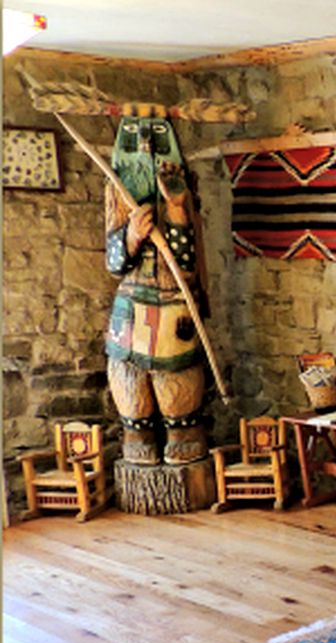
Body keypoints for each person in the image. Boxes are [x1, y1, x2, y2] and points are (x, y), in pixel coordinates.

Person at [104, 114, 206, 465]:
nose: (145, 147)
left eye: (158, 137)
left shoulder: (181, 189)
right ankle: (137, 435)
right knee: (129, 380)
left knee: (177, 378)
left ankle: (184, 434)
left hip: (172, 301)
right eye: (133, 138)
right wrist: (130, 238)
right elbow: (114, 263)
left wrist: (177, 210)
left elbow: (187, 265)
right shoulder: (117, 193)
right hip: (131, 305)